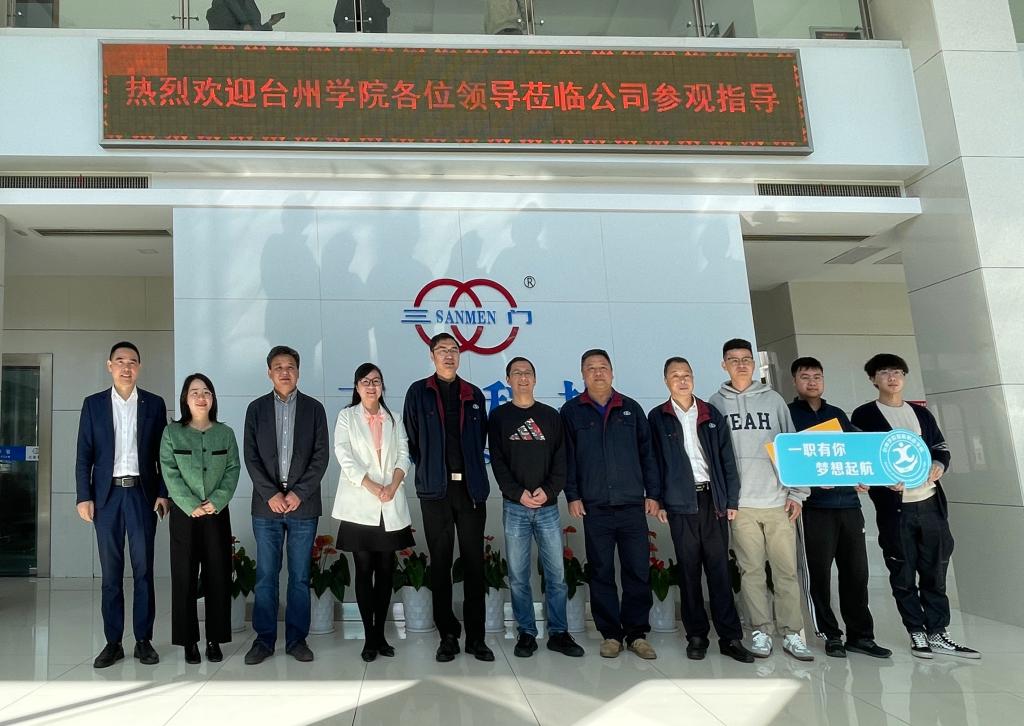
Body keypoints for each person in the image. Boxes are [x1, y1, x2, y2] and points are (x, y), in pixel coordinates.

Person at [851, 353, 980, 659]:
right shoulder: (865, 415)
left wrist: (938, 465)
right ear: (872, 379)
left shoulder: (920, 414)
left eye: (898, 372)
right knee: (903, 570)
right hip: (896, 509)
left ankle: (938, 632)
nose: (892, 378)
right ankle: (916, 632)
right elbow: (861, 456)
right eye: (884, 372)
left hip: (930, 503)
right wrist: (879, 480)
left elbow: (941, 448)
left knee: (935, 570)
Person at [709, 338, 814, 661]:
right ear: (724, 364)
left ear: (754, 364)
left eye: (746, 359)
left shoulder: (774, 400)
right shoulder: (716, 403)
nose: (741, 364)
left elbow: (792, 448)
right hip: (740, 505)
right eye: (734, 359)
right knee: (750, 571)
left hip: (778, 501)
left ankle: (792, 633)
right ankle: (760, 630)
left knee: (786, 571)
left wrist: (798, 493)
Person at [648, 357, 754, 663]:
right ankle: (696, 636)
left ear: (693, 378)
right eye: (675, 376)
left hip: (713, 501)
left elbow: (726, 459)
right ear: (666, 381)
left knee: (719, 571)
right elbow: (653, 462)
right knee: (689, 571)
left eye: (687, 375)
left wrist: (730, 500)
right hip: (680, 503)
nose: (682, 380)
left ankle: (730, 637)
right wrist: (658, 499)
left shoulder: (710, 413)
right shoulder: (658, 417)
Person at [788, 357, 891, 660]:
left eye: (817, 377)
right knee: (818, 575)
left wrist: (862, 476)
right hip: (814, 507)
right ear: (795, 381)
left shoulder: (837, 415)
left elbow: (856, 453)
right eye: (805, 377)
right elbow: (785, 460)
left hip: (849, 504)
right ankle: (830, 634)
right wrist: (812, 481)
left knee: (856, 573)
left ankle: (861, 635)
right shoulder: (789, 416)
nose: (812, 382)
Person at [561, 349, 660, 660]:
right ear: (582, 374)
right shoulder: (572, 411)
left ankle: (637, 634)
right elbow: (567, 458)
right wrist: (572, 495)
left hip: (631, 505)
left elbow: (648, 454)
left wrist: (653, 493)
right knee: (601, 571)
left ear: (612, 372)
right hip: (595, 506)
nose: (598, 372)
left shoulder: (630, 408)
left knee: (637, 569)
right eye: (591, 368)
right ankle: (611, 635)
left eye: (603, 367)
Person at [75, 341, 169, 668]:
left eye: (132, 362)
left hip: (142, 495)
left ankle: (143, 640)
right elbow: (84, 454)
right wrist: (83, 496)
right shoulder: (93, 405)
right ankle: (113, 642)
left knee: (143, 570)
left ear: (139, 367)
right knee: (111, 574)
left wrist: (163, 492)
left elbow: (164, 454)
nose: (126, 367)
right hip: (107, 498)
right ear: (109, 365)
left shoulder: (154, 404)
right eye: (120, 361)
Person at [403, 333, 492, 662]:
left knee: (474, 564)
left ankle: (476, 638)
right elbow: (412, 441)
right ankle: (448, 635)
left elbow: (480, 437)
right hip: (435, 491)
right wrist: (430, 469)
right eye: (442, 350)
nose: (449, 355)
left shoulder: (474, 394)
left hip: (470, 491)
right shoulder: (418, 392)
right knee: (440, 564)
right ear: (432, 356)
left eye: (454, 350)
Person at [489, 357, 584, 659]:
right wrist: (518, 494)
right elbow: (498, 462)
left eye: (527, 373)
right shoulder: (499, 417)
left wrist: (549, 491)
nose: (523, 378)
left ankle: (559, 632)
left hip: (547, 507)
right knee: (518, 576)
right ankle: (527, 633)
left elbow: (561, 459)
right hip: (515, 507)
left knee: (556, 575)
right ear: (508, 380)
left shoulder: (550, 416)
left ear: (535, 378)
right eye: (516, 373)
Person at [243, 346, 329, 665]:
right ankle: (264, 640)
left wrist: (298, 494)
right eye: (278, 366)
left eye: (290, 366)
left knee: (300, 576)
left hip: (302, 507)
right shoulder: (256, 409)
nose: (284, 372)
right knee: (266, 575)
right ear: (269, 372)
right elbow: (250, 456)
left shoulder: (314, 409)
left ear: (298, 372)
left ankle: (296, 640)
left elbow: (321, 457)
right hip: (266, 507)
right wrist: (271, 494)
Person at [332, 363, 414, 662]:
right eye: (365, 381)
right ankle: (369, 636)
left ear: (382, 386)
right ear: (357, 387)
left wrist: (393, 485)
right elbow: (343, 454)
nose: (371, 386)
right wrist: (370, 485)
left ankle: (381, 634)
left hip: (389, 500)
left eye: (376, 381)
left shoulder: (394, 417)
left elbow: (404, 454)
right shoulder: (346, 416)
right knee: (364, 570)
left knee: (386, 571)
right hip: (360, 504)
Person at [160, 373, 240, 664]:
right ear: (185, 398)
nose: (201, 397)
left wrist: (216, 501)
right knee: (184, 576)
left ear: (213, 398)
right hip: (185, 514)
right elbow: (169, 471)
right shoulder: (172, 433)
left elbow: (233, 469)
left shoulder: (225, 433)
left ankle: (214, 639)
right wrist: (189, 504)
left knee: (218, 575)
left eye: (206, 391)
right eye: (194, 392)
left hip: (216, 513)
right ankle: (188, 641)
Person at [206, 0, 283, 30]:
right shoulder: (220, 4)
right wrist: (242, 28)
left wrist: (269, 23)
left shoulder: (249, 3)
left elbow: (254, 31)